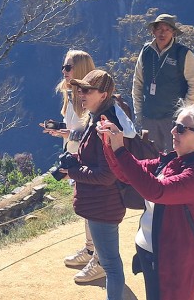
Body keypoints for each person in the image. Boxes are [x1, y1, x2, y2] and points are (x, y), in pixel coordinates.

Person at [98, 104, 194, 300]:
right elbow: (127, 174)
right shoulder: (173, 161)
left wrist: (120, 149)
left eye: (182, 129)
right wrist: (110, 144)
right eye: (175, 125)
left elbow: (156, 191)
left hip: (175, 262)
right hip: (153, 252)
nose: (173, 131)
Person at [60, 69, 136, 300]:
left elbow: (106, 176)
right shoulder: (95, 118)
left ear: (103, 95)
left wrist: (73, 172)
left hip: (103, 205)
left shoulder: (104, 125)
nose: (80, 94)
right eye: (79, 89)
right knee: (110, 262)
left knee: (111, 265)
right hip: (98, 204)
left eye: (87, 90)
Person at [41, 50, 105, 283]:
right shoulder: (70, 94)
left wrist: (68, 133)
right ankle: (90, 250)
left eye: (68, 67)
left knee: (93, 209)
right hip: (74, 155)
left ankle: (100, 259)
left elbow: (90, 130)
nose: (64, 71)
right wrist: (61, 130)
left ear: (79, 69)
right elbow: (75, 126)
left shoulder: (88, 98)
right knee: (85, 209)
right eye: (63, 67)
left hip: (87, 160)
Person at [132, 14, 194, 153]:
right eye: (159, 29)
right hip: (149, 116)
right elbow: (137, 83)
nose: (162, 33)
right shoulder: (146, 51)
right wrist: (138, 112)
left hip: (173, 118)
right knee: (151, 156)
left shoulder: (183, 54)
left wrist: (184, 115)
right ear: (153, 31)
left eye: (167, 29)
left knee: (175, 155)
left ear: (173, 33)